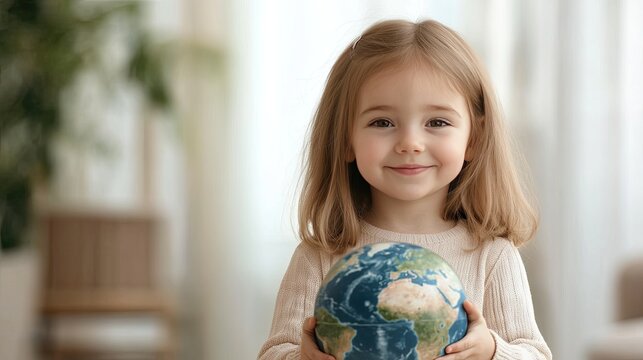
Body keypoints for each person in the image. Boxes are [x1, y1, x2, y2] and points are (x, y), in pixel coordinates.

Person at [258, 19, 552, 360]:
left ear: (474, 138)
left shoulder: (491, 254)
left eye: (437, 122)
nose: (410, 143)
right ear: (344, 139)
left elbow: (534, 354)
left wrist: (491, 351)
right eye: (382, 122)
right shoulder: (320, 255)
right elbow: (274, 352)